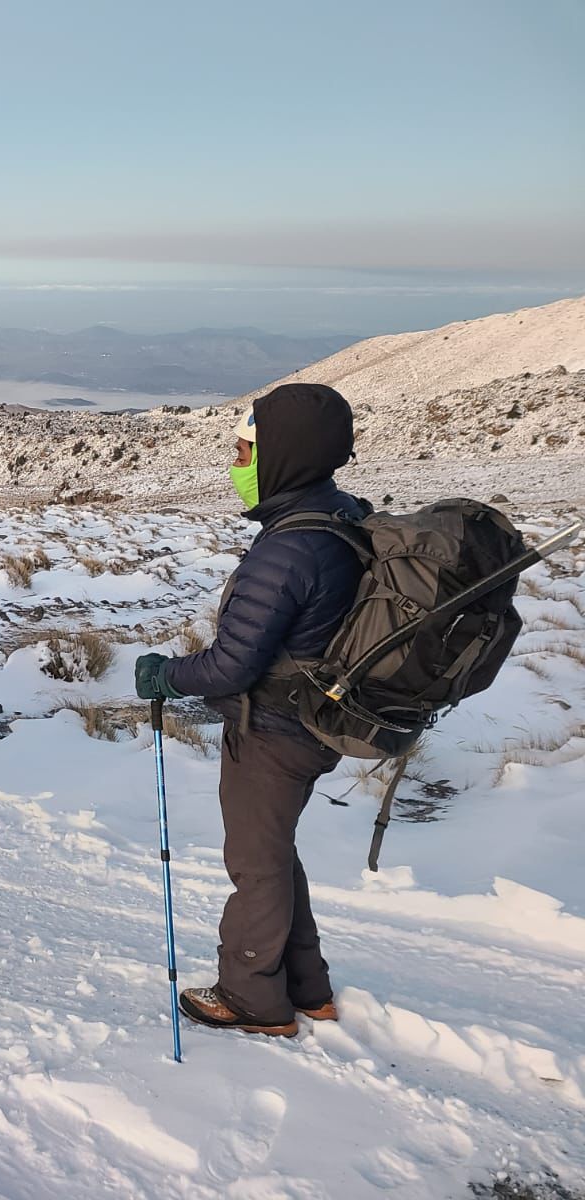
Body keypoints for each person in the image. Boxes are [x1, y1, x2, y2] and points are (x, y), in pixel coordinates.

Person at [133, 382, 364, 1038]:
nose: (235, 464)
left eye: (243, 451)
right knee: (275, 854)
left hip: (274, 732)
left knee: (256, 866)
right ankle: (308, 987)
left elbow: (233, 665)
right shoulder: (334, 517)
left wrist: (165, 676)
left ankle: (254, 999)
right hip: (311, 723)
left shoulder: (289, 547)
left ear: (282, 455)